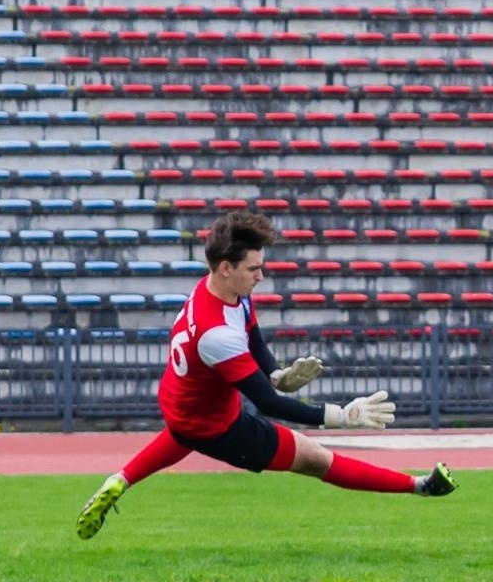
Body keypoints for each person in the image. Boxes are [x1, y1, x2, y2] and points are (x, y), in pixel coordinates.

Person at [76, 214, 456, 539]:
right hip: (217, 426)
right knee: (315, 459)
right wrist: (341, 416)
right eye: (254, 269)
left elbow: (253, 332)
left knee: (183, 432)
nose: (261, 275)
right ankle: (420, 486)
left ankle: (121, 479)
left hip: (183, 405)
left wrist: (275, 372)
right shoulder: (216, 334)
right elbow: (269, 404)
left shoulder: (219, 291)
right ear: (226, 267)